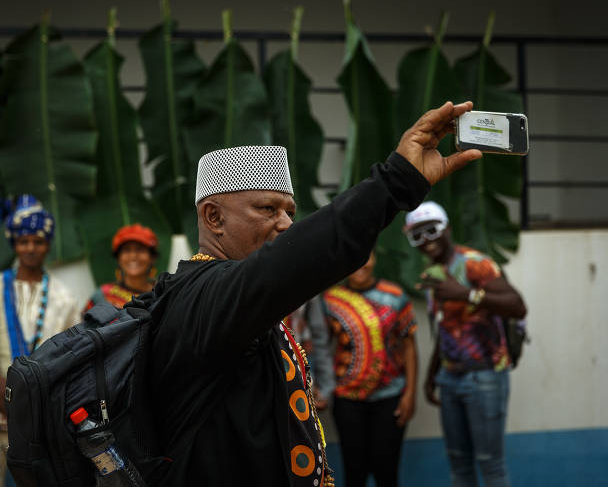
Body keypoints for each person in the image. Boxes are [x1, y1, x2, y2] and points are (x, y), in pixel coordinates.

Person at [132, 101, 480, 486]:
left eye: (290, 212)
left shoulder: (227, 295)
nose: (285, 224)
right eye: (267, 209)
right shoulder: (203, 296)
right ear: (214, 217)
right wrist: (396, 181)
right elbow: (304, 255)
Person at [0, 194, 81, 487]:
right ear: (13, 243)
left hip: (41, 416)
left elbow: (73, 351)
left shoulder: (64, 299)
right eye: (23, 241)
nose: (30, 248)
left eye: (38, 241)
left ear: (48, 244)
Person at [404, 201, 527, 487]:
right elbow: (448, 328)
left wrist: (466, 294)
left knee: (491, 464)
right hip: (450, 377)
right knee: (458, 463)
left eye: (432, 230)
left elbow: (517, 305)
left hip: (483, 375)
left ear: (446, 228)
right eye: (417, 236)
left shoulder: (474, 263)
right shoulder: (434, 272)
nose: (427, 241)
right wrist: (432, 375)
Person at [309, 251, 418, 487]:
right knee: (354, 470)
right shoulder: (330, 300)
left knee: (386, 471)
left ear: (375, 259)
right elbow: (321, 347)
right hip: (347, 398)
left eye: (366, 257)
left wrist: (410, 394)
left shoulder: (395, 295)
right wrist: (318, 385)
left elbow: (409, 346)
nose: (361, 264)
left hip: (390, 396)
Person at [83, 224, 159, 311]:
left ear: (152, 257)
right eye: (127, 250)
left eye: (140, 249)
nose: (133, 256)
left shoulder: (161, 294)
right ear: (118, 258)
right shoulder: (103, 295)